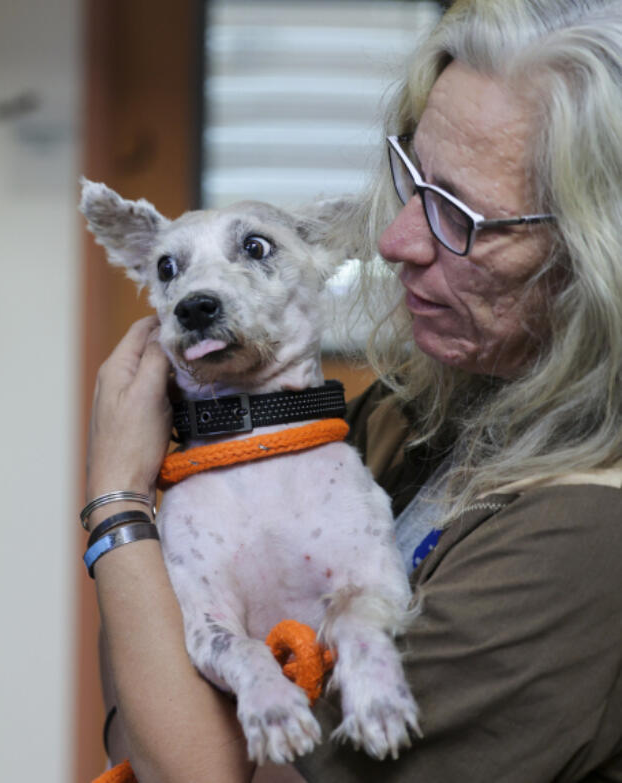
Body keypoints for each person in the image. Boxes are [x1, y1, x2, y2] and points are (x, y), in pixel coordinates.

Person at [85, 0, 622, 780]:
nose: (393, 240)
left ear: (595, 256)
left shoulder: (585, 538)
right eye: (411, 178)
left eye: (460, 215)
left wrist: (115, 503)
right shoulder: (413, 412)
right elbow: (146, 718)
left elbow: (186, 764)